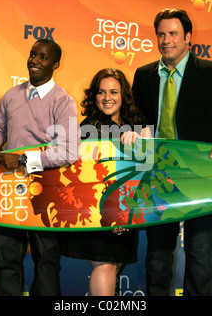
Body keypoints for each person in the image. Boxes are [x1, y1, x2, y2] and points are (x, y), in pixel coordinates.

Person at [132, 9, 212, 296]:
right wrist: (134, 132)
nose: (166, 40)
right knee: (157, 257)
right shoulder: (143, 75)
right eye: (161, 34)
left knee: (199, 255)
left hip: (201, 177)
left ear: (188, 37)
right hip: (158, 178)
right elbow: (134, 120)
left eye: (173, 33)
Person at [0, 39, 80, 296]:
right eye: (33, 54)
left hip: (45, 192)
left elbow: (68, 152)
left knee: (46, 263)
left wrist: (24, 159)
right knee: (5, 261)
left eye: (43, 57)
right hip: (8, 190)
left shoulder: (63, 102)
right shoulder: (11, 95)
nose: (35, 60)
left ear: (55, 64)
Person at [61, 68, 151, 296]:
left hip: (126, 212)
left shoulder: (138, 123)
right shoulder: (87, 128)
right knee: (106, 266)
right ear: (94, 96)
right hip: (97, 212)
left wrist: (140, 140)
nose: (107, 98)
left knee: (113, 266)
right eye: (101, 92)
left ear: (124, 96)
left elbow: (150, 161)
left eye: (113, 92)